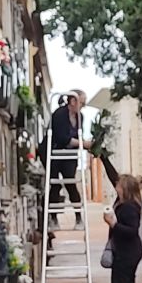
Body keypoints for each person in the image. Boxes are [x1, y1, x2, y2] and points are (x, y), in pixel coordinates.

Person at [47, 91, 87, 227]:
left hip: (70, 154)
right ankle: (53, 218)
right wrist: (83, 143)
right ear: (73, 101)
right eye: (82, 103)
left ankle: (78, 217)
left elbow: (79, 135)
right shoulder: (59, 115)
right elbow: (62, 138)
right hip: (55, 153)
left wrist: (83, 143)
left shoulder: (80, 117)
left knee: (71, 183)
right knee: (55, 185)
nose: (83, 106)